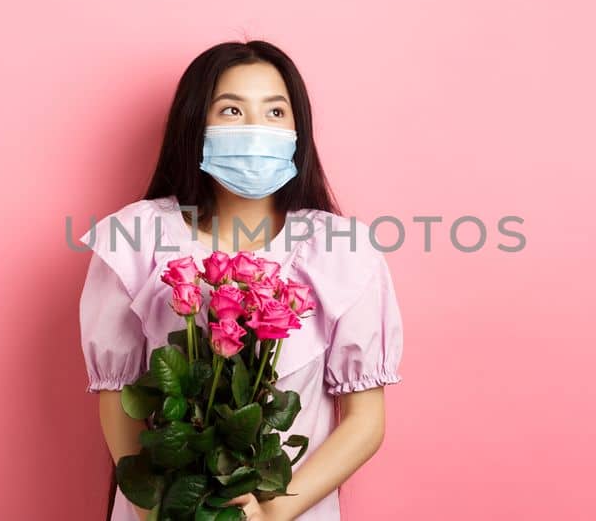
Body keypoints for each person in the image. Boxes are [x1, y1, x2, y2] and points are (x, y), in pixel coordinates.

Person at [77, 40, 404, 520]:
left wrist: (272, 513)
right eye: (231, 110)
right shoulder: (134, 237)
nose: (255, 130)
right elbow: (119, 400)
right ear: (196, 126)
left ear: (298, 130)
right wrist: (160, 512)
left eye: (275, 112)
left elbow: (365, 421)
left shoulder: (342, 249)